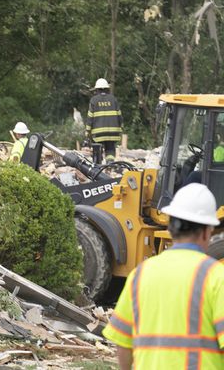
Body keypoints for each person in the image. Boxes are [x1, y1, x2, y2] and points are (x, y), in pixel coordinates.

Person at [103, 182, 224, 369]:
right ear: (207, 231)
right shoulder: (216, 276)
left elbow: (123, 342)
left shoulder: (141, 274)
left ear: (170, 226)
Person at [85, 78, 123, 162]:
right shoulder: (113, 99)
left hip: (98, 133)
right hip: (113, 132)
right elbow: (119, 116)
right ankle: (110, 164)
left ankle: (98, 166)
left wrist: (87, 130)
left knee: (97, 148)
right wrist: (120, 128)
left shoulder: (94, 100)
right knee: (110, 149)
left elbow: (90, 117)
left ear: (97, 89)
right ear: (107, 89)